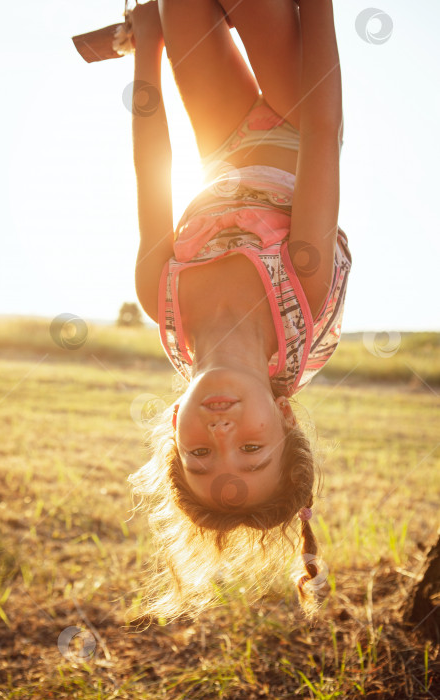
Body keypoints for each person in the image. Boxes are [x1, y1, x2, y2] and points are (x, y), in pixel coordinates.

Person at [127, 0, 351, 623]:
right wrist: (320, 9)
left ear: (174, 426)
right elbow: (323, 135)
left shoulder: (161, 295)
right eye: (253, 449)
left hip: (222, 141)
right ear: (284, 416)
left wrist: (151, 45)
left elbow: (151, 164)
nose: (223, 437)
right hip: (299, 119)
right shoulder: (300, 293)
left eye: (199, 457)